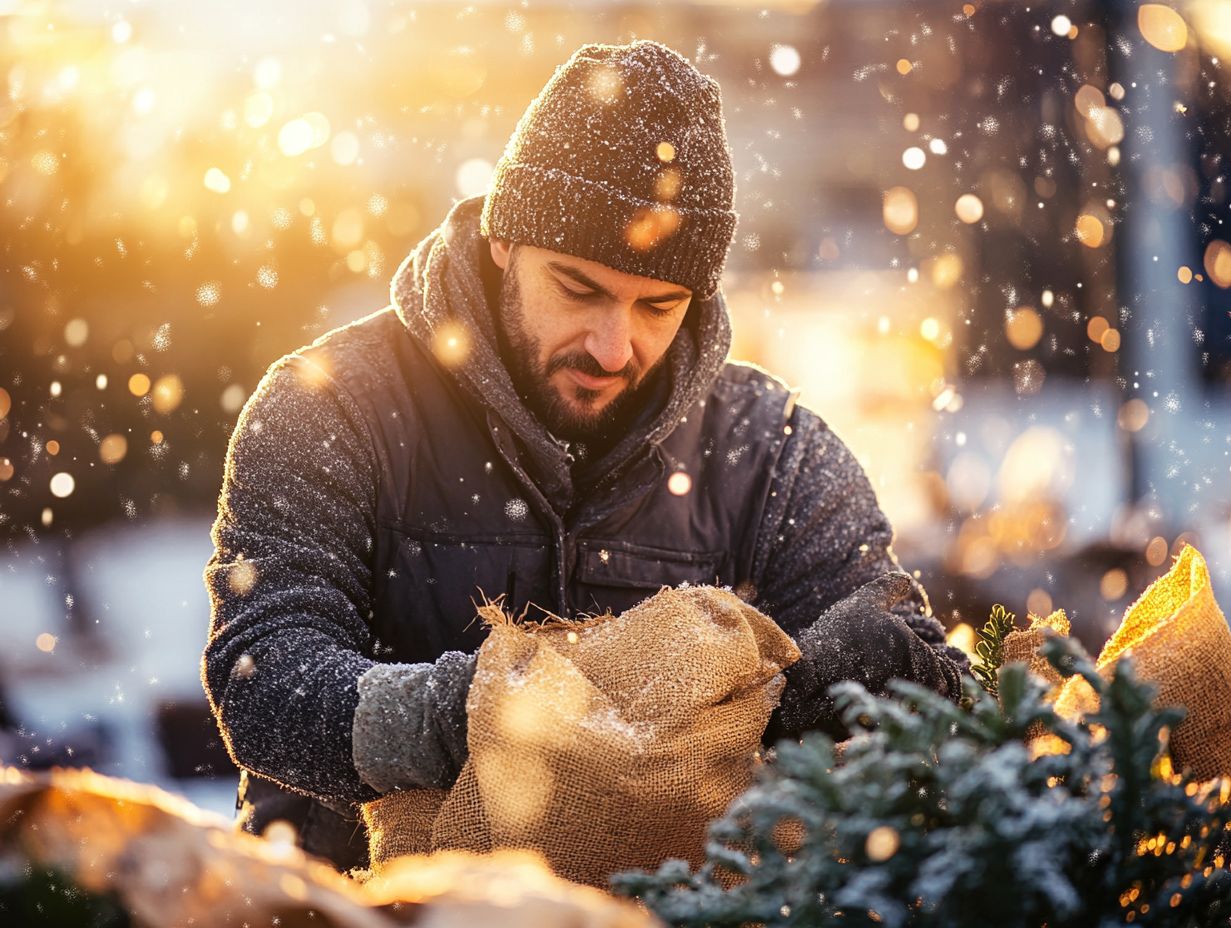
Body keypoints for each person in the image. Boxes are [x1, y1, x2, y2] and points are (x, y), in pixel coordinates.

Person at [201, 39, 968, 871]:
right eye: (580, 289)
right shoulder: (331, 405)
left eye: (659, 306)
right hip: (361, 908)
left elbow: (939, 692)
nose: (614, 346)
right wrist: (495, 719)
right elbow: (263, 677)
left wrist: (854, 677)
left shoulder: (772, 453)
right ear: (504, 240)